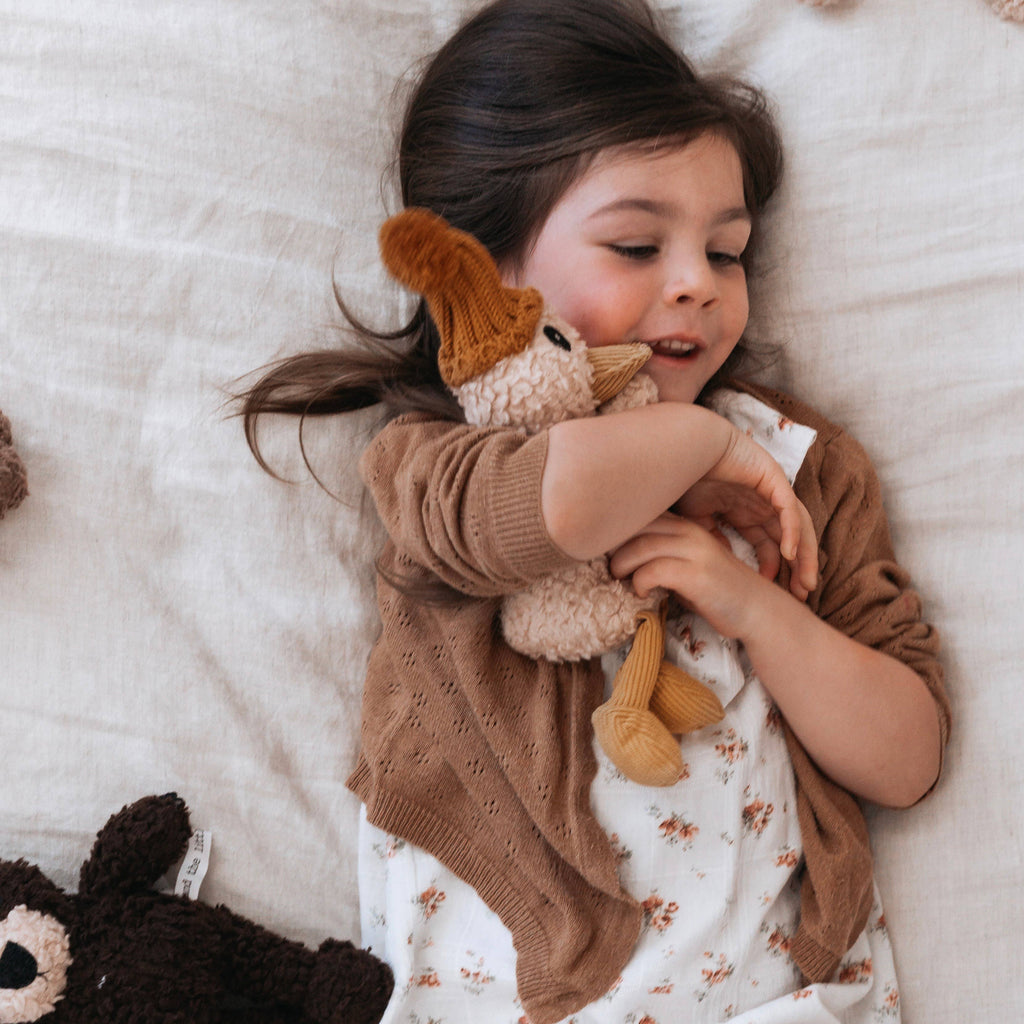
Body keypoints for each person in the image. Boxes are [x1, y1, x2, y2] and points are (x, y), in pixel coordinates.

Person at [239, 1, 950, 1021]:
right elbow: (555, 505)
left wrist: (753, 607)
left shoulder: (799, 465)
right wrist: (699, 443)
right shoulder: (440, 460)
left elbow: (907, 760)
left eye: (726, 251)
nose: (696, 284)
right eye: (635, 245)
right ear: (487, 270)